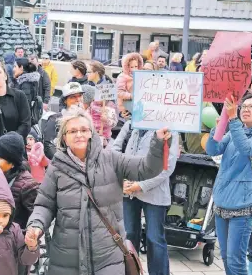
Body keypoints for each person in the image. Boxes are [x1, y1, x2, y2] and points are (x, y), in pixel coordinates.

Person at [26, 108, 170, 275]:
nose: (78, 134)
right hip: (66, 259)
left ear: (91, 133)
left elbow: (146, 168)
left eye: (83, 130)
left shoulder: (111, 159)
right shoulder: (56, 167)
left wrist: (158, 143)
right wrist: (36, 225)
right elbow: (44, 204)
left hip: (108, 257)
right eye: (72, 131)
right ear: (64, 137)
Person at [206, 94, 252, 275]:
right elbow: (212, 150)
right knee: (227, 259)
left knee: (236, 263)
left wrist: (233, 119)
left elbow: (246, 148)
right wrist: (218, 128)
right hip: (221, 203)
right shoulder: (234, 130)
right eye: (244, 106)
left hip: (242, 208)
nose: (246, 109)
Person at [112, 120, 180, 275]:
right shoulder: (130, 124)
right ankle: (131, 271)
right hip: (128, 192)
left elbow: (168, 166)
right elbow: (115, 152)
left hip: (154, 193)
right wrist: (122, 179)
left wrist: (140, 185)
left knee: (154, 238)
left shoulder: (169, 129)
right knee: (128, 235)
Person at [0, 132, 39, 229]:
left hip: (15, 238)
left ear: (12, 163)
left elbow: (35, 216)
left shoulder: (27, 185)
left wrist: (22, 236)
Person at [41, 82, 86, 160]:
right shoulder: (55, 119)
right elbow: (49, 145)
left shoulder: (86, 118)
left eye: (80, 96)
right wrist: (64, 162)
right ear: (65, 100)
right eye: (73, 97)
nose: (78, 99)